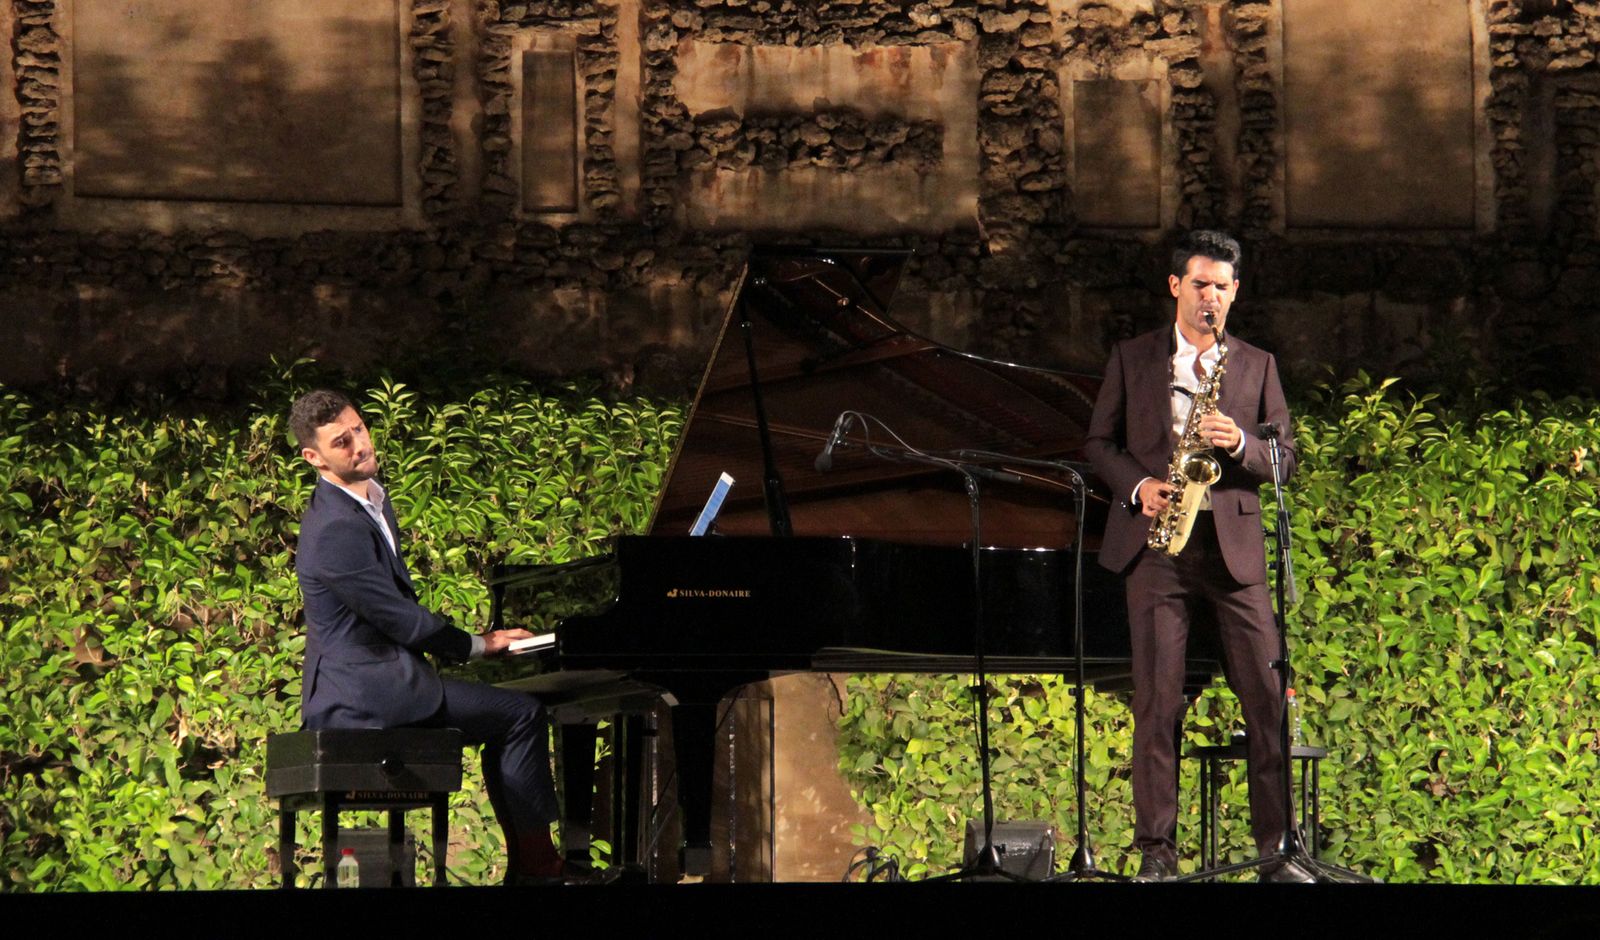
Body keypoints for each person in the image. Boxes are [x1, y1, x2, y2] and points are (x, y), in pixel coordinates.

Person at [1084, 230, 1309, 883]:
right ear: (1176, 286)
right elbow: (1098, 443)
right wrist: (1139, 485)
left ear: (1235, 292)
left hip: (1233, 552)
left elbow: (1285, 461)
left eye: (1223, 287)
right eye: (1200, 284)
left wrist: (1239, 440)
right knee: (1157, 704)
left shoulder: (1258, 364)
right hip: (1158, 550)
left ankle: (1277, 854)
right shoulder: (1131, 358)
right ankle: (1156, 853)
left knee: (1267, 699)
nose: (1211, 297)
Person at [290, 388, 564, 884]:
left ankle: (532, 866)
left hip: (382, 680)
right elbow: (398, 617)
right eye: (340, 442)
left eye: (359, 429)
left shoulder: (371, 498)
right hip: (359, 696)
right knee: (520, 715)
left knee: (510, 716)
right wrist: (481, 644)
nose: (358, 445)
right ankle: (539, 868)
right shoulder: (334, 526)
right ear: (314, 457)